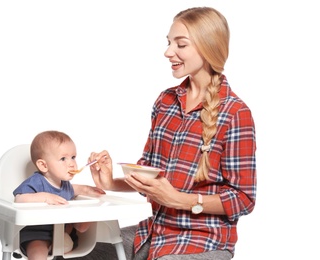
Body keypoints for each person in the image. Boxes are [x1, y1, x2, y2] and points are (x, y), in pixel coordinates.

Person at [85, 6, 257, 260]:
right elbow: (151, 175)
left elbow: (243, 199)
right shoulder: (165, 101)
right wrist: (110, 183)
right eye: (168, 43)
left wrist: (180, 200)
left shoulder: (235, 113)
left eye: (181, 44)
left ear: (208, 47)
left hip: (204, 241)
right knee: (77, 250)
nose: (168, 52)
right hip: (154, 232)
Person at [13, 130, 105, 260]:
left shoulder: (65, 185)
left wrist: (90, 190)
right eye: (63, 159)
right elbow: (19, 199)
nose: (72, 163)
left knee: (85, 215)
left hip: (61, 233)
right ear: (43, 165)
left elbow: (76, 189)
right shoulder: (37, 182)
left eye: (73, 157)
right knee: (37, 252)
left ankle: (79, 227)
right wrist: (45, 197)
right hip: (37, 234)